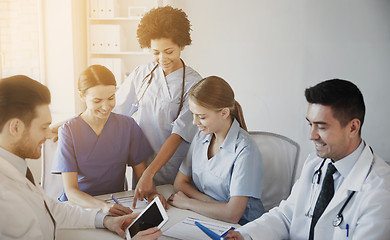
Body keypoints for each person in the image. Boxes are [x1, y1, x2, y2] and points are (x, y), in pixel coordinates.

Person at [0, 75, 161, 240]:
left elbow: (53, 210)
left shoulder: (17, 171)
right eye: (43, 127)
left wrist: (105, 221)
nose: (49, 135)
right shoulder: (6, 196)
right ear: (16, 127)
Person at [225, 79, 390, 240]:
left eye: (322, 127)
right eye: (310, 124)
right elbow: (285, 216)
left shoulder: (380, 190)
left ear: (353, 127)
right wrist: (244, 235)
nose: (312, 136)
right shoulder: (315, 165)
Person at [113, 6, 202, 206]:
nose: (162, 59)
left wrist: (149, 173)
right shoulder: (142, 73)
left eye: (168, 51)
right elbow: (114, 110)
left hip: (174, 169)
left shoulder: (194, 84)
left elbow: (179, 134)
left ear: (182, 46)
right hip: (141, 166)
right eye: (155, 52)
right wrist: (72, 123)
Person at [51, 65, 159, 216]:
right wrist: (103, 206)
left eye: (111, 98)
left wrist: (152, 194)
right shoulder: (69, 131)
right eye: (97, 100)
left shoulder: (127, 126)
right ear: (81, 96)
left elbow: (142, 175)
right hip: (80, 206)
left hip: (117, 202)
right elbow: (71, 191)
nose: (106, 106)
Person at [167, 76, 265, 225]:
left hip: (242, 226)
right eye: (193, 115)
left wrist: (188, 203)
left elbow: (232, 214)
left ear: (224, 113)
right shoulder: (201, 136)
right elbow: (180, 183)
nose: (195, 122)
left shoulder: (245, 149)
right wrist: (211, 203)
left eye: (202, 117)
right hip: (207, 217)